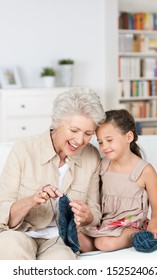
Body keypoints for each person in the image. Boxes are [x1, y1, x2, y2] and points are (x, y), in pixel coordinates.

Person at [0, 87, 106, 259]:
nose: (80, 141)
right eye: (73, 130)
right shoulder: (23, 150)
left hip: (59, 239)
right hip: (19, 234)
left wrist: (87, 216)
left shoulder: (92, 157)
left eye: (88, 133)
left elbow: (94, 211)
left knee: (63, 261)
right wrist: (32, 201)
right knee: (10, 251)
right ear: (56, 122)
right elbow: (2, 212)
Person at [82, 109, 157, 252]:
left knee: (103, 244)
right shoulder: (102, 165)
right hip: (106, 223)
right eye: (100, 142)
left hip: (130, 225)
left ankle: (148, 235)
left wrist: (154, 224)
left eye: (109, 140)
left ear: (129, 136)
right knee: (78, 240)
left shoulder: (145, 171)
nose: (104, 147)